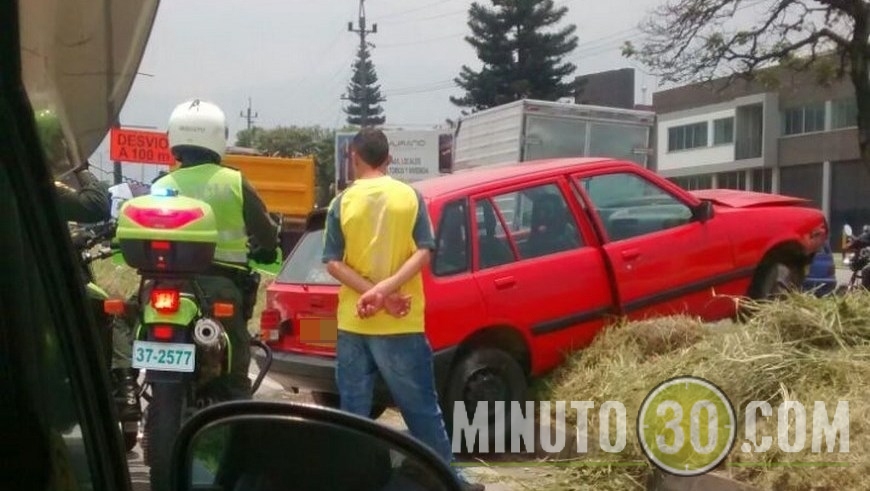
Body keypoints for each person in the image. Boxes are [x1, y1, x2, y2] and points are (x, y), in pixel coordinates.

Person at [321, 127, 484, 491]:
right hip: (400, 325)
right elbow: (425, 251)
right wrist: (386, 292)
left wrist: (372, 292)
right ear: (389, 159)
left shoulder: (341, 202)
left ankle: (351, 481)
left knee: (353, 414)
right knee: (421, 410)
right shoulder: (410, 197)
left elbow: (332, 262)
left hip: (354, 323)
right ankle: (450, 481)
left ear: (354, 157)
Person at [152, 98, 279, 398]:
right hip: (222, 283)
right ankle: (237, 411)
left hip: (164, 282)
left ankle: (127, 385)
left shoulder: (161, 184)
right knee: (236, 354)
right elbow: (266, 232)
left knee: (128, 317)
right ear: (217, 137)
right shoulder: (234, 182)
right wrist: (268, 246)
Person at [36, 108, 143, 421]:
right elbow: (96, 205)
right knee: (114, 308)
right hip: (51, 279)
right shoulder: (41, 186)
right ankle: (123, 388)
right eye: (59, 141)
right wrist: (79, 165)